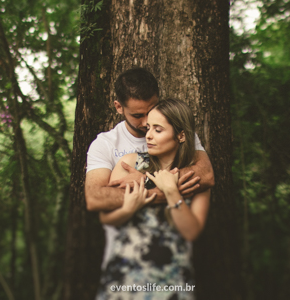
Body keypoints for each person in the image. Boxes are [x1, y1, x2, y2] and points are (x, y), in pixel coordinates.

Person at [85, 68, 214, 269]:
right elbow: (95, 198)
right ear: (119, 107)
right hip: (127, 256)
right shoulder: (106, 144)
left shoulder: (180, 133)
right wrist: (160, 191)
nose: (146, 123)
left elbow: (205, 174)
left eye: (151, 110)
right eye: (138, 115)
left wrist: (146, 181)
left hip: (175, 257)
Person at [96, 98, 210, 299]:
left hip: (171, 280)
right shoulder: (130, 163)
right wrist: (129, 208)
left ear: (181, 135)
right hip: (124, 277)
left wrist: (172, 191)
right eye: (148, 128)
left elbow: (191, 232)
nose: (148, 135)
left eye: (158, 130)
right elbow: (106, 218)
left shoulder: (195, 176)